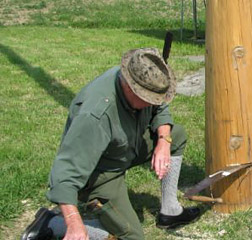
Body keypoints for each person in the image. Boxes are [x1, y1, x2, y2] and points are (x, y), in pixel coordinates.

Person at [21, 48, 201, 240]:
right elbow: (65, 174)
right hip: (101, 173)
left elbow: (160, 105)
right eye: (149, 99)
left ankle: (170, 211)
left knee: (177, 134)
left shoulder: (141, 76)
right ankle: (51, 223)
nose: (153, 103)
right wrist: (73, 222)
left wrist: (164, 141)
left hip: (126, 147)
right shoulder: (96, 115)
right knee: (132, 237)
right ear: (132, 89)